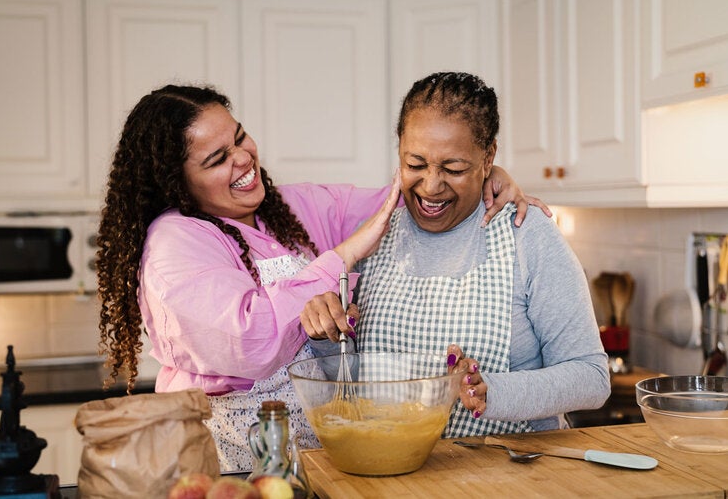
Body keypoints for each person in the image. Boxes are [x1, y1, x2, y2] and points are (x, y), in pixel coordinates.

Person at [95, 84, 546, 472]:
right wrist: (343, 255)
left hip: (314, 451)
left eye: (238, 138)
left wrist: (480, 175)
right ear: (178, 182)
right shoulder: (174, 242)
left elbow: (407, 198)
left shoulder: (285, 209)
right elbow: (251, 341)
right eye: (217, 158)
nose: (243, 158)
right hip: (231, 460)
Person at [301, 72, 611, 437]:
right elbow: (354, 391)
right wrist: (326, 338)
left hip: (510, 480)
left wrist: (491, 391)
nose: (431, 185)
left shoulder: (526, 234)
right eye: (415, 164)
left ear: (488, 156)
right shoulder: (374, 239)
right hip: (396, 478)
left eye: (454, 168)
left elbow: (592, 377)